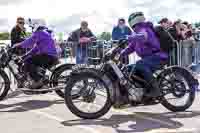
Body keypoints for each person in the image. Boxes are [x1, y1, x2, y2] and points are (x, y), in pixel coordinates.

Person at [120, 12, 168, 98]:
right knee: (129, 68)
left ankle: (155, 89)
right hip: (148, 59)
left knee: (139, 64)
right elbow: (130, 47)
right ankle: (144, 93)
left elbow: (143, 36)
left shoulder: (144, 28)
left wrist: (129, 37)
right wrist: (120, 53)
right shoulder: (135, 32)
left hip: (157, 56)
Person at [12, 19, 59, 89]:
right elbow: (35, 49)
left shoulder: (40, 33)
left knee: (29, 61)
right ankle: (38, 79)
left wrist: (18, 45)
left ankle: (38, 81)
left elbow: (29, 42)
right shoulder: (43, 33)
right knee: (29, 59)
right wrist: (24, 56)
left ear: (36, 25)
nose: (32, 28)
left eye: (32, 27)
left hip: (48, 56)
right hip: (49, 56)